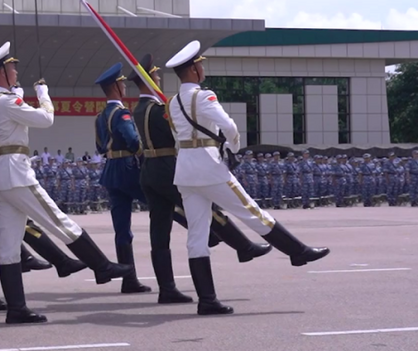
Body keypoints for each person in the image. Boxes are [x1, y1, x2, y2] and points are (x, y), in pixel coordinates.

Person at [0, 42, 130, 324]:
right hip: (17, 174)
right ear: (2, 72)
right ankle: (102, 267)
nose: (16, 73)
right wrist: (43, 94)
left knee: (8, 245)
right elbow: (46, 119)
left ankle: (17, 309)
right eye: (13, 69)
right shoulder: (7, 102)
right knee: (58, 220)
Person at [165, 40, 329, 315]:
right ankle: (297, 252)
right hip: (209, 167)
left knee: (197, 234)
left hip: (185, 171)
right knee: (252, 212)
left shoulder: (172, 103)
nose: (203, 69)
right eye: (200, 65)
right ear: (193, 70)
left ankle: (207, 300)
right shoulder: (204, 96)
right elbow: (229, 126)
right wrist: (233, 147)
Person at [130, 54, 270, 305]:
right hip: (168, 168)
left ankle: (167, 287)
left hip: (149, 170)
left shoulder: (139, 109)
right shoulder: (158, 109)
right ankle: (243, 246)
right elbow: (181, 132)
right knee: (209, 211)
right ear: (150, 79)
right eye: (156, 75)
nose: (159, 78)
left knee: (159, 232)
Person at [93, 63, 150, 294]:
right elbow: (133, 140)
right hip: (128, 168)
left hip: (110, 171)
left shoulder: (100, 116)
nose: (125, 87)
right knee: (162, 203)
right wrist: (143, 156)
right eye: (122, 84)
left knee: (122, 229)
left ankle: (129, 279)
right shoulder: (122, 113)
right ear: (116, 87)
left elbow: (99, 147)